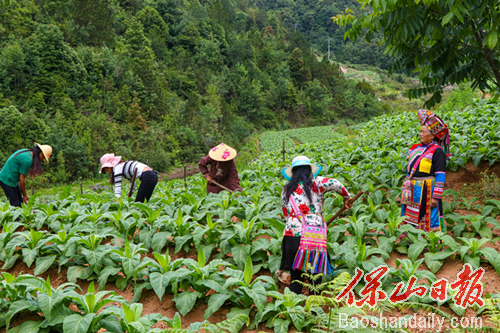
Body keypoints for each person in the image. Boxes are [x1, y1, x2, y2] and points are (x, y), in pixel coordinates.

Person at [279, 156, 352, 295]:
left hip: (292, 237)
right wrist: (346, 198)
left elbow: (285, 213)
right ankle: (314, 311)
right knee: (315, 276)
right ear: (309, 170)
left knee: (296, 275)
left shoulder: (286, 190)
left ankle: (293, 309)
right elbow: (336, 183)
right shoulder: (317, 183)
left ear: (293, 172)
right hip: (313, 238)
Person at [400, 109, 449, 233]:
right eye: (420, 132)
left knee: (426, 214)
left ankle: (429, 241)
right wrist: (405, 188)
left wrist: (435, 197)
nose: (420, 134)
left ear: (432, 135)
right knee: (409, 214)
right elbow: (409, 169)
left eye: (423, 132)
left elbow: (440, 175)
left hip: (427, 190)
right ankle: (409, 238)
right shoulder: (414, 148)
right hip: (412, 189)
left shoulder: (437, 151)